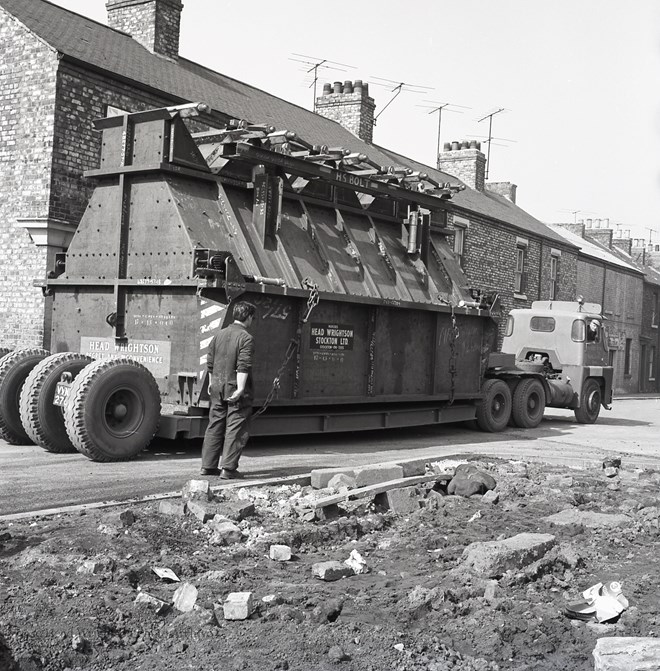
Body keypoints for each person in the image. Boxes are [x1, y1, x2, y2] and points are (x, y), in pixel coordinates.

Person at [200, 301, 256, 479]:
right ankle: (228, 469)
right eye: (252, 318)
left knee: (215, 425)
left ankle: (207, 466)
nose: (252, 321)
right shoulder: (246, 338)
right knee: (235, 427)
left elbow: (210, 363)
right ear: (248, 317)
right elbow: (243, 365)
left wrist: (211, 383)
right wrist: (240, 388)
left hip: (216, 386)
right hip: (234, 388)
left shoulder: (218, 335)